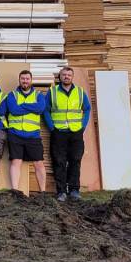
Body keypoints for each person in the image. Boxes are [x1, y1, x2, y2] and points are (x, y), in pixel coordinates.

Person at [44, 66, 91, 202]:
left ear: (72, 77)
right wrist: (52, 127)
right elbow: (46, 110)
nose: (66, 77)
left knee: (75, 160)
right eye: (64, 75)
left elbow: (87, 109)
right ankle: (61, 192)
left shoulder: (80, 92)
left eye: (69, 75)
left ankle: (74, 190)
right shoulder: (52, 92)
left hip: (76, 132)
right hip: (58, 132)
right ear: (60, 77)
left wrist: (82, 126)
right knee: (59, 162)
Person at [6, 69, 47, 192]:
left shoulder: (38, 95)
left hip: (33, 135)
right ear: (19, 80)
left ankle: (43, 192)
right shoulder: (12, 95)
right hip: (15, 134)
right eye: (23, 79)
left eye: (27, 79)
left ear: (31, 80)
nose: (25, 81)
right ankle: (15, 191)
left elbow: (40, 108)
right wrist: (31, 107)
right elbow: (14, 110)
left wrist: (22, 106)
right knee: (16, 162)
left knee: (38, 163)